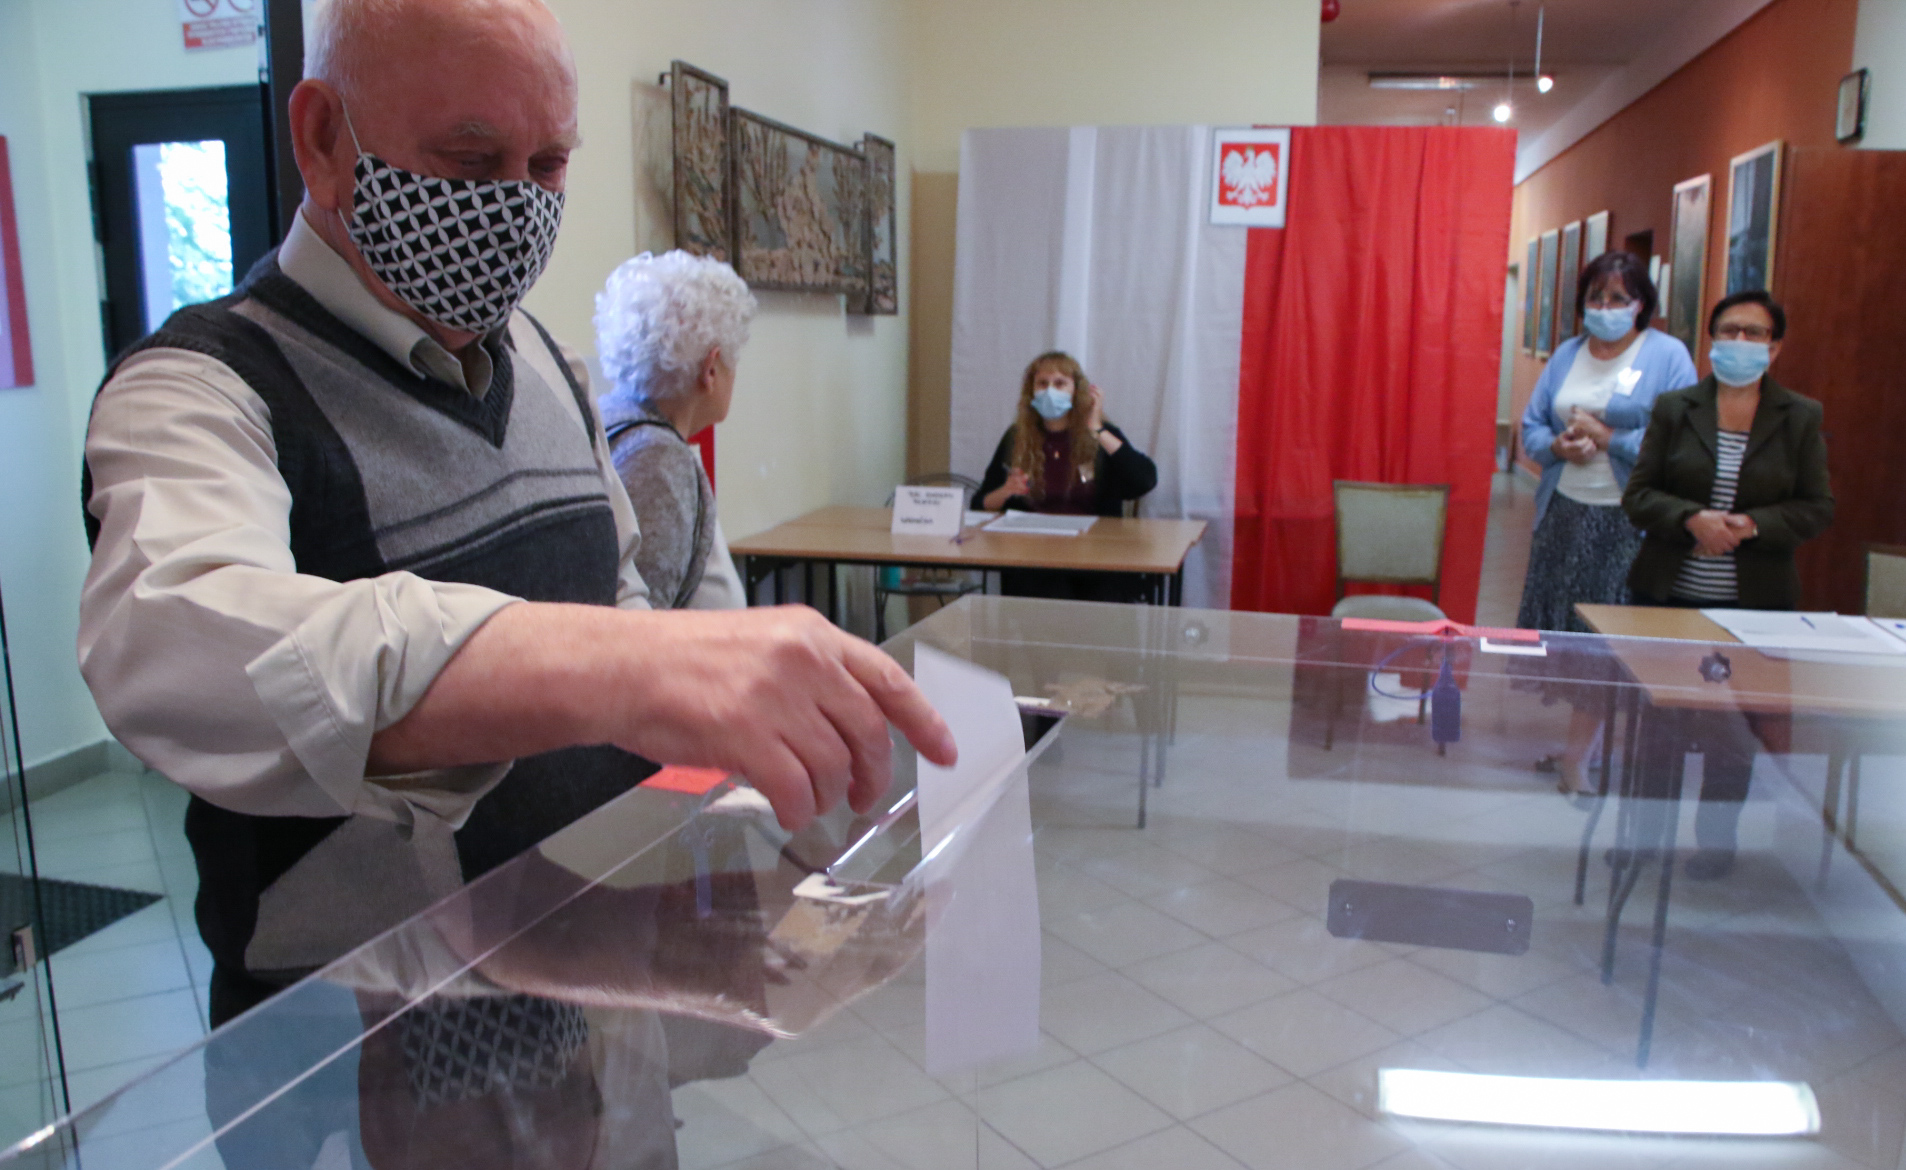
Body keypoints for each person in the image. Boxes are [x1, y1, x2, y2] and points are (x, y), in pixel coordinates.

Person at [77, 0, 955, 1034]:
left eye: (547, 166)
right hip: (355, 1052)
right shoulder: (198, 389)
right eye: (469, 159)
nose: (515, 206)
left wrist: (720, 802)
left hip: (597, 998)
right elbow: (178, 647)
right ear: (320, 138)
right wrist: (620, 673)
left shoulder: (544, 364)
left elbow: (613, 594)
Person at [1623, 289, 1833, 877]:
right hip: (1670, 596)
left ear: (1775, 347)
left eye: (1754, 333)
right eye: (1729, 331)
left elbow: (1816, 507)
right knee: (1658, 726)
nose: (1740, 341)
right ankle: (1646, 838)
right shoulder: (1676, 408)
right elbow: (1639, 495)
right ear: (1711, 340)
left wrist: (1754, 525)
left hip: (1753, 605)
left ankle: (1716, 841)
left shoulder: (1800, 416)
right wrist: (1691, 518)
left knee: (1730, 732)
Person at [1514, 251, 1696, 797]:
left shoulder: (1667, 355)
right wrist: (1558, 446)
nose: (1606, 307)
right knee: (1568, 633)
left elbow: (1681, 441)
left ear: (1641, 303)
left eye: (1618, 297)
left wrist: (1610, 438)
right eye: (1596, 296)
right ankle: (1583, 746)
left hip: (1625, 521)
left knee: (1605, 638)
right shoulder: (1568, 353)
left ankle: (1578, 760)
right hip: (1564, 512)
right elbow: (1531, 426)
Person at [594, 250, 751, 610]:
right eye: (734, 360)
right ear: (711, 368)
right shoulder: (658, 462)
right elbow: (644, 625)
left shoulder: (609, 417)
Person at [974, 351, 1158, 600]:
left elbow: (1144, 481)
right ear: (1031, 391)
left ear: (1077, 391)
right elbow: (980, 504)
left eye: (1060, 383)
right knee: (1039, 588)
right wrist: (1005, 491)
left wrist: (1096, 428)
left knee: (1099, 591)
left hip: (1095, 555)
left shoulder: (1101, 435)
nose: (1050, 391)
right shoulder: (1017, 437)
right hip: (1034, 556)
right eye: (1042, 384)